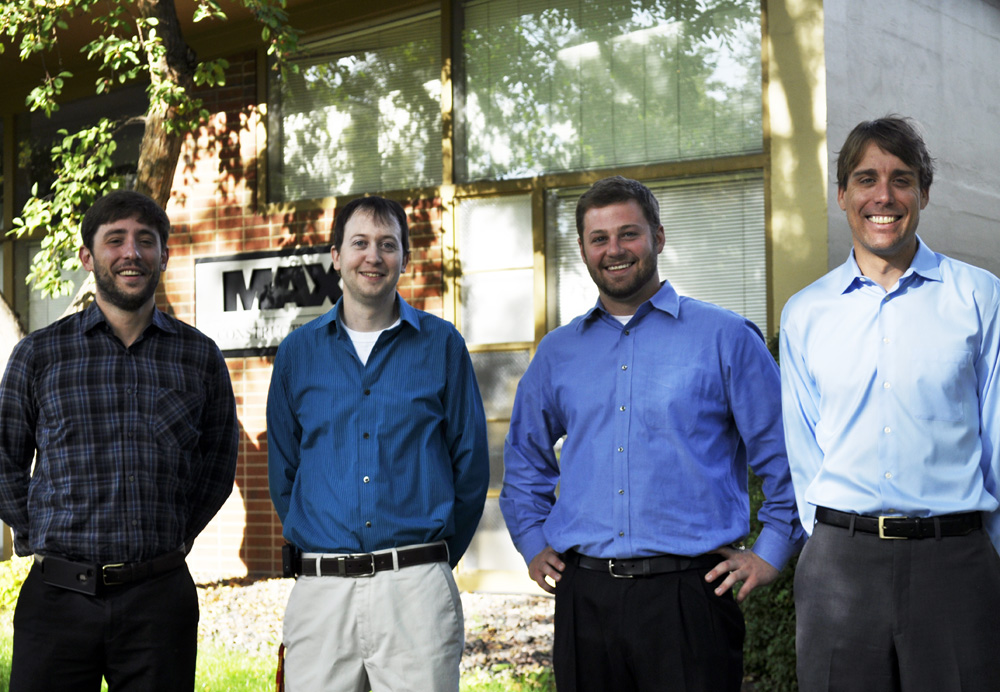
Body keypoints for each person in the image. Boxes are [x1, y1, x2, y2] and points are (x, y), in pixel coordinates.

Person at [500, 175, 805, 692]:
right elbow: (525, 459)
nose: (614, 250)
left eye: (629, 234)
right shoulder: (557, 353)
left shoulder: (726, 337)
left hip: (689, 599)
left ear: (658, 238)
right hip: (585, 598)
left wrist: (772, 549)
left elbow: (787, 456)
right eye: (599, 239)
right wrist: (532, 539)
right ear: (582, 249)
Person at [780, 115, 1000, 691]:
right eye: (866, 179)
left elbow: (998, 437)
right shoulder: (805, 313)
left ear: (924, 193)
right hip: (839, 570)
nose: (884, 196)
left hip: (955, 565)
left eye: (901, 179)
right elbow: (804, 450)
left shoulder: (980, 297)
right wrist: (832, 541)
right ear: (842, 195)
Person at [0, 189, 239, 691]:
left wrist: (172, 537)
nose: (131, 253)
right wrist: (38, 532)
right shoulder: (39, 355)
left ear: (164, 255)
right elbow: (3, 459)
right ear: (88, 257)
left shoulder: (199, 358)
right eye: (115, 240)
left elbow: (216, 467)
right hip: (57, 601)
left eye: (145, 241)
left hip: (159, 602)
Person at [267, 195, 490, 692]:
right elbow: (284, 470)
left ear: (404, 259)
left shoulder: (442, 345)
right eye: (360, 244)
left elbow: (470, 467)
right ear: (336, 256)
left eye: (388, 245)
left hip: (415, 589)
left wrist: (430, 563)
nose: (374, 256)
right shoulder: (298, 353)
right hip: (322, 591)